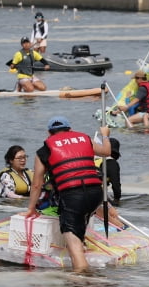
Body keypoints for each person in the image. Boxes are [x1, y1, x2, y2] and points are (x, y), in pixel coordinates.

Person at [26, 116, 112, 272]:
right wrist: (105, 135)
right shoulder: (84, 138)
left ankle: (81, 283)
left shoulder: (44, 150)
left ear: (49, 134)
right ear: (70, 130)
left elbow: (37, 183)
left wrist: (31, 208)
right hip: (96, 193)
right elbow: (106, 151)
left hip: (72, 195)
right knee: (80, 222)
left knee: (74, 248)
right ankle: (82, 243)